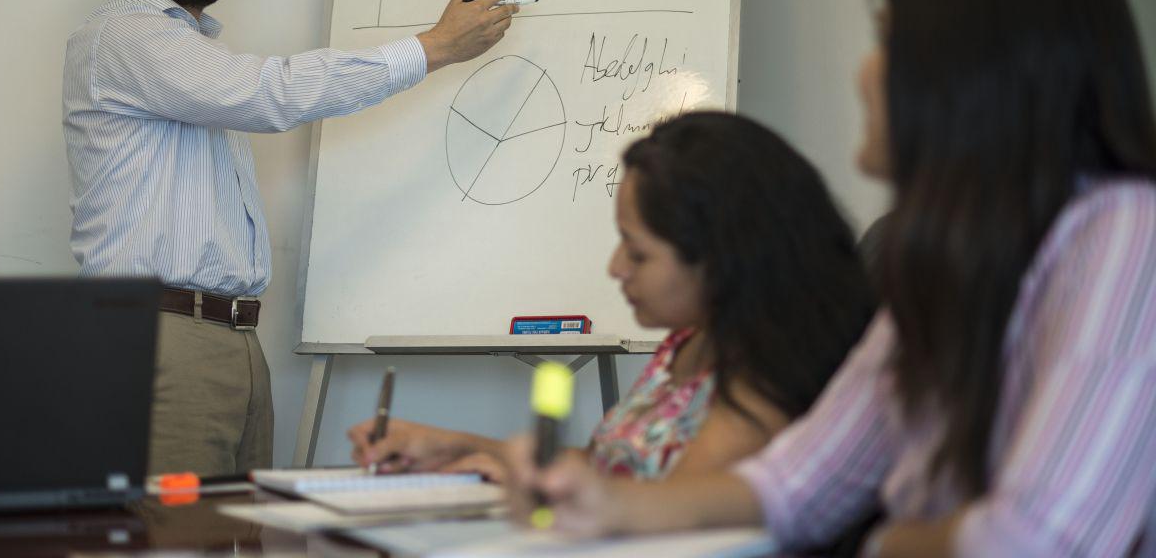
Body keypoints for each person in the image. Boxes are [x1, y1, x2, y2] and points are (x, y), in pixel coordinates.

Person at [509, 0, 1156, 557]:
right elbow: (794, 486)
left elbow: (1031, 542)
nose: (865, 71)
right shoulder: (943, 254)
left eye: (888, 42)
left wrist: (886, 543)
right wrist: (610, 505)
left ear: (971, 80)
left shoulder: (1126, 231)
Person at [63, 0, 518, 475]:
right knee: (170, 542)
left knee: (240, 539)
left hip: (227, 340)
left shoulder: (189, 50)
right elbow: (268, 94)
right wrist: (434, 47)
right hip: (161, 342)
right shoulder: (123, 35)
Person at [347, 111, 876, 484]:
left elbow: (666, 510)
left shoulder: (771, 377)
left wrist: (523, 477)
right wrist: (461, 447)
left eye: (639, 253)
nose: (615, 268)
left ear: (721, 255)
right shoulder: (685, 344)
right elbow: (616, 469)